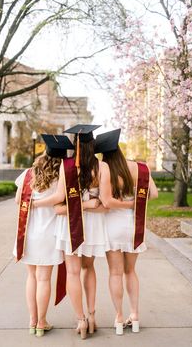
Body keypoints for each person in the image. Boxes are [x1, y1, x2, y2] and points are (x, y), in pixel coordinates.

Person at [33, 124, 135, 339]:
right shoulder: (103, 168)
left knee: (72, 272)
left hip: (70, 223)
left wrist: (36, 202)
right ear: (92, 144)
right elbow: (105, 204)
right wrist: (90, 205)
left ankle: (80, 319)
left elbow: (59, 201)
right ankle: (91, 315)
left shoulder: (66, 166)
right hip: (93, 225)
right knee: (89, 269)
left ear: (75, 146)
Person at [96, 129, 158, 335]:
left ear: (103, 153)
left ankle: (119, 318)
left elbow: (107, 201)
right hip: (133, 227)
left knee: (115, 273)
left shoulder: (104, 169)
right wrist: (134, 204)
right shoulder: (140, 167)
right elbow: (154, 194)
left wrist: (125, 204)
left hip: (112, 226)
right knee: (131, 271)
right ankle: (135, 316)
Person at [13, 134, 74, 337]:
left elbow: (17, 200)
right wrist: (42, 203)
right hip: (49, 233)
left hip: (28, 232)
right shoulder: (62, 175)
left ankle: (32, 320)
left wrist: (33, 203)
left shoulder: (29, 173)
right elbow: (59, 197)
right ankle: (41, 322)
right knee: (44, 279)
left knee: (31, 276)